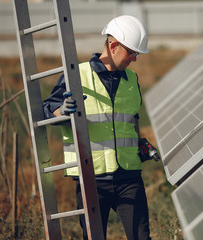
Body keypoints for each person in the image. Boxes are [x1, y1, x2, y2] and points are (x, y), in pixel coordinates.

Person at [43, 15, 151, 240]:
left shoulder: (132, 79)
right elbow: (47, 108)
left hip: (128, 176)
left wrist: (140, 142)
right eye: (132, 53)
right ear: (113, 46)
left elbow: (132, 117)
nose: (135, 59)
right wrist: (60, 111)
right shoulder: (77, 75)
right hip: (91, 177)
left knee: (141, 237)